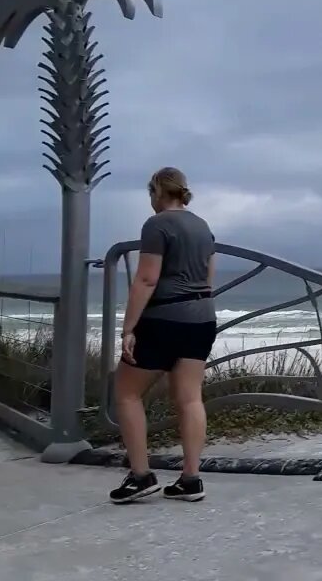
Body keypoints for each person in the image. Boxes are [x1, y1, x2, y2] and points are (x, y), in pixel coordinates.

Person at [110, 167, 218, 504]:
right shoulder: (202, 226)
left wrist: (128, 328)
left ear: (157, 191)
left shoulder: (157, 225)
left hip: (164, 317)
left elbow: (146, 280)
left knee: (126, 393)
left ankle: (141, 475)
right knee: (190, 398)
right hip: (202, 318)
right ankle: (190, 478)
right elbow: (209, 277)